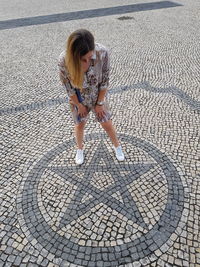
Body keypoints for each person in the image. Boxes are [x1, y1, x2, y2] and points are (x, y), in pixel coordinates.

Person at [58, 29, 124, 165]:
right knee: (80, 124)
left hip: (98, 95)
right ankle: (80, 149)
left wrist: (99, 103)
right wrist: (79, 105)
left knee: (106, 122)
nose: (88, 61)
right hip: (78, 98)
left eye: (90, 57)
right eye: (83, 59)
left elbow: (105, 80)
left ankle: (117, 146)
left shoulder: (103, 53)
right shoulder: (64, 60)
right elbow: (68, 87)